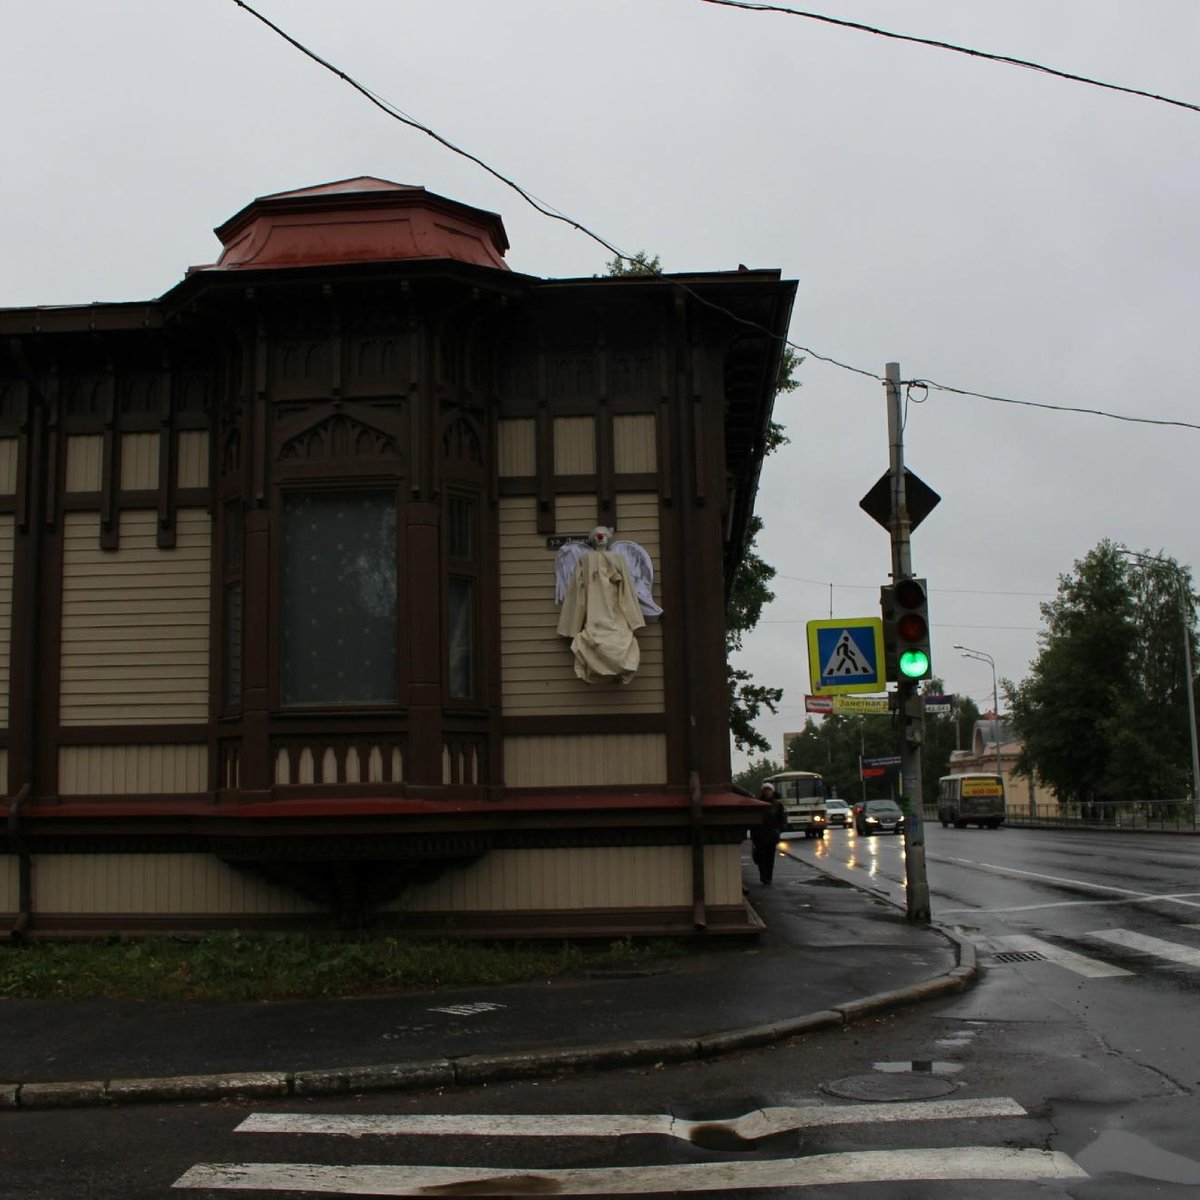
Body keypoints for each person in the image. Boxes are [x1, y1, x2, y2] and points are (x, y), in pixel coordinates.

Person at [750, 781, 787, 885]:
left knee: (770, 857)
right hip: (760, 835)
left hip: (772, 835)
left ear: (772, 791)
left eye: (769, 790)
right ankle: (763, 875)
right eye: (765, 790)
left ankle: (768, 877)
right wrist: (753, 833)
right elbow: (753, 820)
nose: (767, 792)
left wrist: (778, 830)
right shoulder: (757, 804)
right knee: (761, 857)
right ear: (762, 791)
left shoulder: (777, 805)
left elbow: (782, 819)